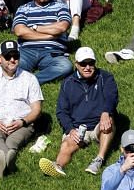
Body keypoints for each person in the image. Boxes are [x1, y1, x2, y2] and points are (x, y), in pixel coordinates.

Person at [40, 46, 118, 177]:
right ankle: (57, 167)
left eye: (91, 63)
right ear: (76, 64)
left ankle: (99, 160)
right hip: (78, 128)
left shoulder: (106, 77)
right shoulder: (67, 83)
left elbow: (112, 97)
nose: (87, 67)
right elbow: (61, 111)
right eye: (83, 64)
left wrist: (106, 112)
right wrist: (70, 129)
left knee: (108, 123)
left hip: (99, 124)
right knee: (66, 145)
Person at [0, 40, 43, 175]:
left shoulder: (29, 79)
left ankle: (1, 164)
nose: (12, 60)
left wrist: (22, 122)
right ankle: (7, 162)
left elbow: (37, 109)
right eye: (7, 57)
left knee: (12, 141)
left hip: (22, 124)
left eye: (15, 56)